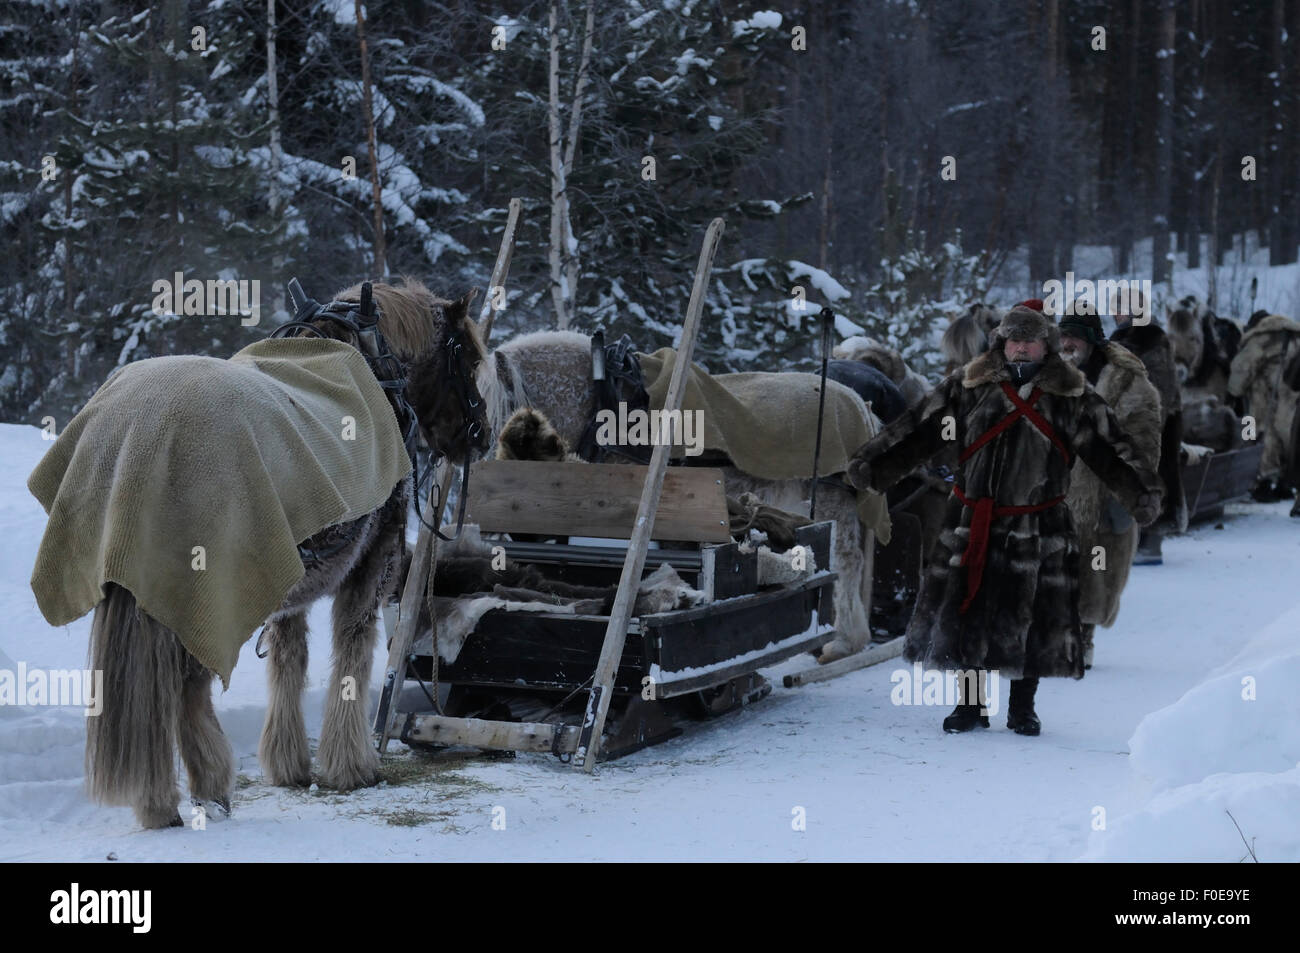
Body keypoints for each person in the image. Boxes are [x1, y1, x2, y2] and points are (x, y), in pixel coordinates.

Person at [848, 300, 1162, 735]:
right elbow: (919, 428)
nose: (1020, 349)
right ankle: (970, 706)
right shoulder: (968, 386)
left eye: (1029, 341)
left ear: (1045, 345)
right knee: (968, 612)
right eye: (1013, 340)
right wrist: (874, 464)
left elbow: (1111, 448)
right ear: (1001, 342)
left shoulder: (1072, 395)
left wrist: (1141, 492)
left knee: (1030, 617)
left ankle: (1022, 708)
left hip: (1039, 523)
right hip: (973, 518)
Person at [1059, 306, 1163, 669]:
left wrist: (1129, 492)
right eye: (1063, 335)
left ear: (1090, 339)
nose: (1067, 343)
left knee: (1095, 573)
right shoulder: (1051, 377)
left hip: (1101, 495)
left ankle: (1083, 639)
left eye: (1074, 336)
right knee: (1055, 569)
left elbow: (1145, 443)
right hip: (1052, 492)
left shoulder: (1128, 382)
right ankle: (1057, 636)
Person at [1111, 309, 1186, 563]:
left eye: (1121, 310)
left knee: (1153, 478)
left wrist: (1153, 422)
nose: (1116, 315)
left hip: (1152, 422)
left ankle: (1151, 542)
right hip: (1137, 420)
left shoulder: (1151, 338)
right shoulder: (1124, 338)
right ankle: (1139, 540)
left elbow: (1161, 385)